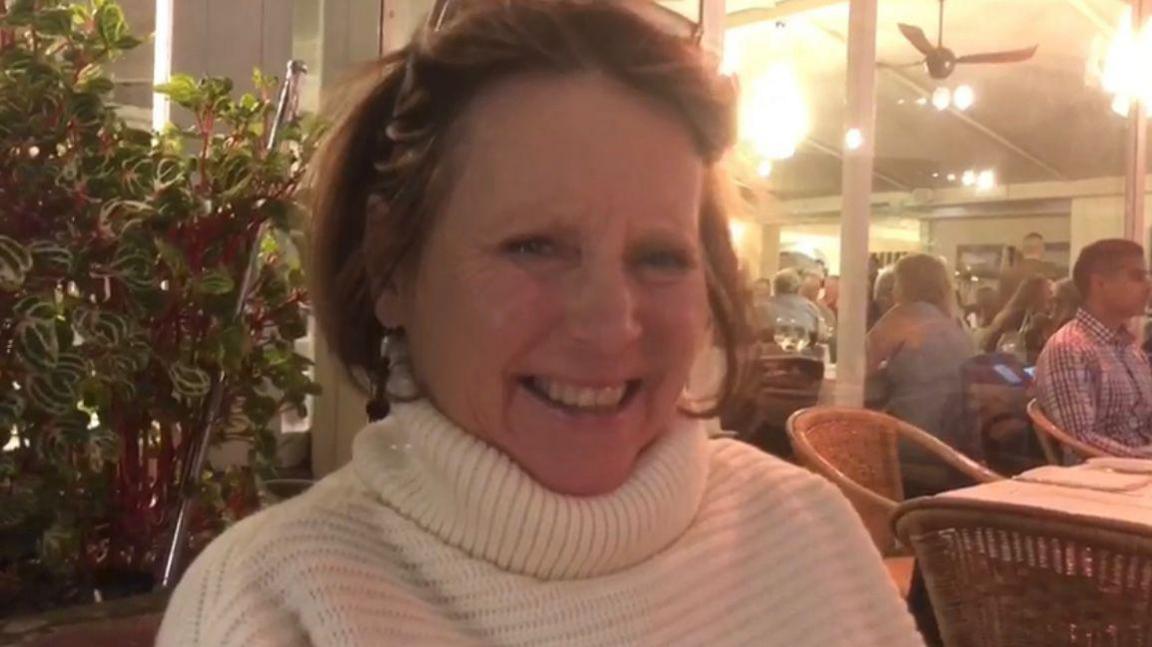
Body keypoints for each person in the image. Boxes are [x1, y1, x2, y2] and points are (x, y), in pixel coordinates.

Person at [156, 3, 920, 646]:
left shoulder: (808, 532)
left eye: (659, 257)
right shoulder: (270, 605)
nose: (611, 322)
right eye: (535, 246)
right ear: (392, 265)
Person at [866, 254, 976, 496]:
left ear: (903, 284)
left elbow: (859, 378)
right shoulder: (959, 326)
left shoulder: (900, 318)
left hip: (912, 440)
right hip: (959, 442)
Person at [1035, 239, 1152, 457]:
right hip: (1106, 479)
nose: (1148, 285)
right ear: (1099, 284)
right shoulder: (1069, 348)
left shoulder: (1130, 349)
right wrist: (1143, 459)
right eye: (1137, 276)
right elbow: (1079, 439)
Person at [980, 275, 1054, 363]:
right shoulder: (1020, 317)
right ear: (1037, 294)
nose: (1051, 297)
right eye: (1049, 292)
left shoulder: (1009, 313)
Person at [762, 268, 826, 344]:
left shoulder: (760, 308)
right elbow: (822, 335)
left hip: (768, 353)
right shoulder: (811, 308)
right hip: (803, 354)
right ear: (798, 288)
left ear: (775, 287)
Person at [998, 232, 1061, 307]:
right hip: (1039, 316)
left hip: (1011, 317)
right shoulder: (1049, 271)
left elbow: (1000, 302)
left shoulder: (1007, 274)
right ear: (1041, 248)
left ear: (1023, 249)